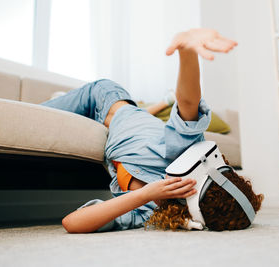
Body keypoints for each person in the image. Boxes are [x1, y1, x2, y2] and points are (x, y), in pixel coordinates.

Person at [41, 28, 263, 233]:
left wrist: (147, 194)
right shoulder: (185, 152)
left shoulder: (150, 210)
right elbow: (188, 102)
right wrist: (187, 51)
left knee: (139, 115)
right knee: (40, 113)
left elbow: (72, 222)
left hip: (123, 122)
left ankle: (66, 100)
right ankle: (63, 100)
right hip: (104, 98)